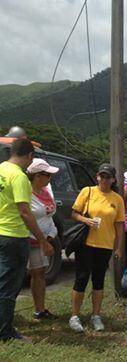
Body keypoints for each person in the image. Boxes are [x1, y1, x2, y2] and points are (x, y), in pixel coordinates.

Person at [0, 140, 54, 341]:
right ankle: (5, 331)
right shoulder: (19, 177)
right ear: (30, 156)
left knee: (2, 281)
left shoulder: (1, 169)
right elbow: (25, 212)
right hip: (14, 236)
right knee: (9, 285)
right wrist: (42, 240)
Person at [69, 163, 125, 333]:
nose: (104, 179)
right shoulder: (88, 191)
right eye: (102, 176)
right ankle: (74, 315)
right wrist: (86, 220)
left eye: (108, 176)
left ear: (113, 179)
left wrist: (118, 247)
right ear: (97, 176)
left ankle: (96, 315)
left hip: (105, 245)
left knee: (99, 281)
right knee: (82, 278)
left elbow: (120, 225)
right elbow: (73, 214)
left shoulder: (117, 199)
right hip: (86, 243)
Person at [26, 158, 59, 320]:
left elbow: (49, 216)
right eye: (47, 175)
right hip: (28, 240)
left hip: (44, 240)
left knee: (39, 273)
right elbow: (25, 217)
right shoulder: (25, 193)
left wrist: (51, 233)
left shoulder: (47, 191)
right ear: (37, 176)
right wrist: (41, 239)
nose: (49, 178)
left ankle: (40, 309)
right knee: (17, 276)